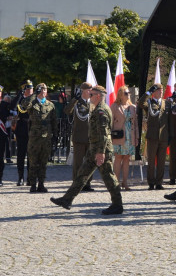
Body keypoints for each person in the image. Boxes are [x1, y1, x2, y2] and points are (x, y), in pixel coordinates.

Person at [50, 85, 123, 214]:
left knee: (109, 177)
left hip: (101, 150)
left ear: (98, 96)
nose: (89, 97)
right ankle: (67, 199)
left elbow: (104, 134)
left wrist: (100, 152)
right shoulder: (97, 109)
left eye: (92, 95)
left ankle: (117, 204)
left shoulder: (101, 111)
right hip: (94, 149)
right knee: (82, 174)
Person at [25, 84, 56, 193]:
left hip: (46, 138)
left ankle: (41, 184)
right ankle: (33, 184)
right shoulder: (32, 103)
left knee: (43, 162)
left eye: (45, 89)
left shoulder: (50, 105)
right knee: (33, 162)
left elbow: (54, 122)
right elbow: (24, 106)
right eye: (41, 89)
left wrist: (55, 136)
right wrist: (33, 95)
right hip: (35, 138)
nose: (43, 91)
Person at [141, 84, 169, 190]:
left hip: (163, 136)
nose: (160, 92)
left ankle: (159, 183)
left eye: (161, 90)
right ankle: (151, 182)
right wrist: (148, 93)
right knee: (151, 161)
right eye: (158, 90)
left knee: (161, 161)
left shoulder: (166, 103)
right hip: (152, 136)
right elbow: (141, 103)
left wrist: (169, 136)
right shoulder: (149, 103)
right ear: (154, 92)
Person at [66, 83, 92, 190]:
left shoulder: (93, 103)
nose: (91, 92)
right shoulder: (77, 103)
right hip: (79, 137)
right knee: (78, 162)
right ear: (84, 91)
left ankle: (87, 183)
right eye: (89, 90)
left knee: (89, 162)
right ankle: (77, 184)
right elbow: (67, 111)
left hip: (90, 137)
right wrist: (74, 100)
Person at [13, 80, 34, 185]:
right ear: (24, 90)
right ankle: (20, 177)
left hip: (32, 129)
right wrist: (19, 95)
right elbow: (12, 107)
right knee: (21, 154)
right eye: (28, 89)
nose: (30, 91)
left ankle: (30, 177)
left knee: (31, 155)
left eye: (31, 89)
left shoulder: (35, 100)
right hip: (22, 128)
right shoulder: (20, 100)